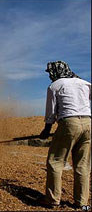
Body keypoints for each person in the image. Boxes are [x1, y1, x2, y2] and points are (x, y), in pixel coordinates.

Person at [39, 61, 91, 209]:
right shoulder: (84, 83)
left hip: (69, 123)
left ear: (55, 72)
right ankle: (82, 203)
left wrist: (46, 131)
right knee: (82, 165)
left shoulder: (55, 86)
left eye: (50, 73)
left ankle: (52, 200)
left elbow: (51, 113)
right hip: (88, 123)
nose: (50, 76)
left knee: (55, 162)